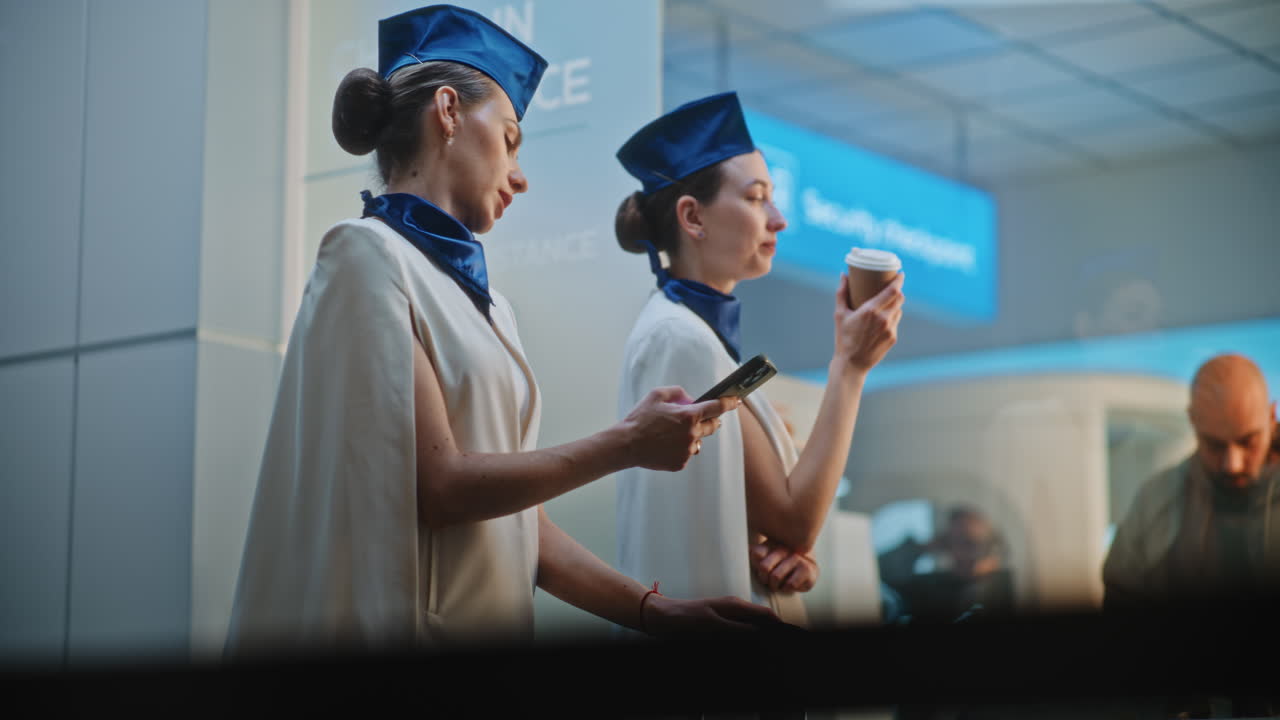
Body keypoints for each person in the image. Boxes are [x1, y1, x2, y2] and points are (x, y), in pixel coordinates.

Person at [226, 6, 785, 655]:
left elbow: (522, 524)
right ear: (449, 111)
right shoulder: (363, 255)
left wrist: (654, 611)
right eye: (512, 138)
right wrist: (627, 443)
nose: (519, 174)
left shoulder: (487, 305)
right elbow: (440, 487)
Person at [610, 92, 904, 630]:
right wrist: (851, 365)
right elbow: (795, 519)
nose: (779, 219)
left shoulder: (689, 333)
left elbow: (775, 528)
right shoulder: (683, 338)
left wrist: (785, 554)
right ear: (693, 217)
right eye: (757, 198)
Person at [1102, 353, 1280, 613]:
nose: (1232, 464)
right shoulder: (1155, 503)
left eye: (1247, 442)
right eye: (1215, 445)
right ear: (1193, 421)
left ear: (1271, 416)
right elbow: (1119, 602)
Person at [877, 504, 1014, 623]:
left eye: (971, 542)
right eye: (955, 541)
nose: (966, 551)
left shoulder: (1006, 584)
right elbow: (877, 573)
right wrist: (920, 548)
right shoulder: (931, 585)